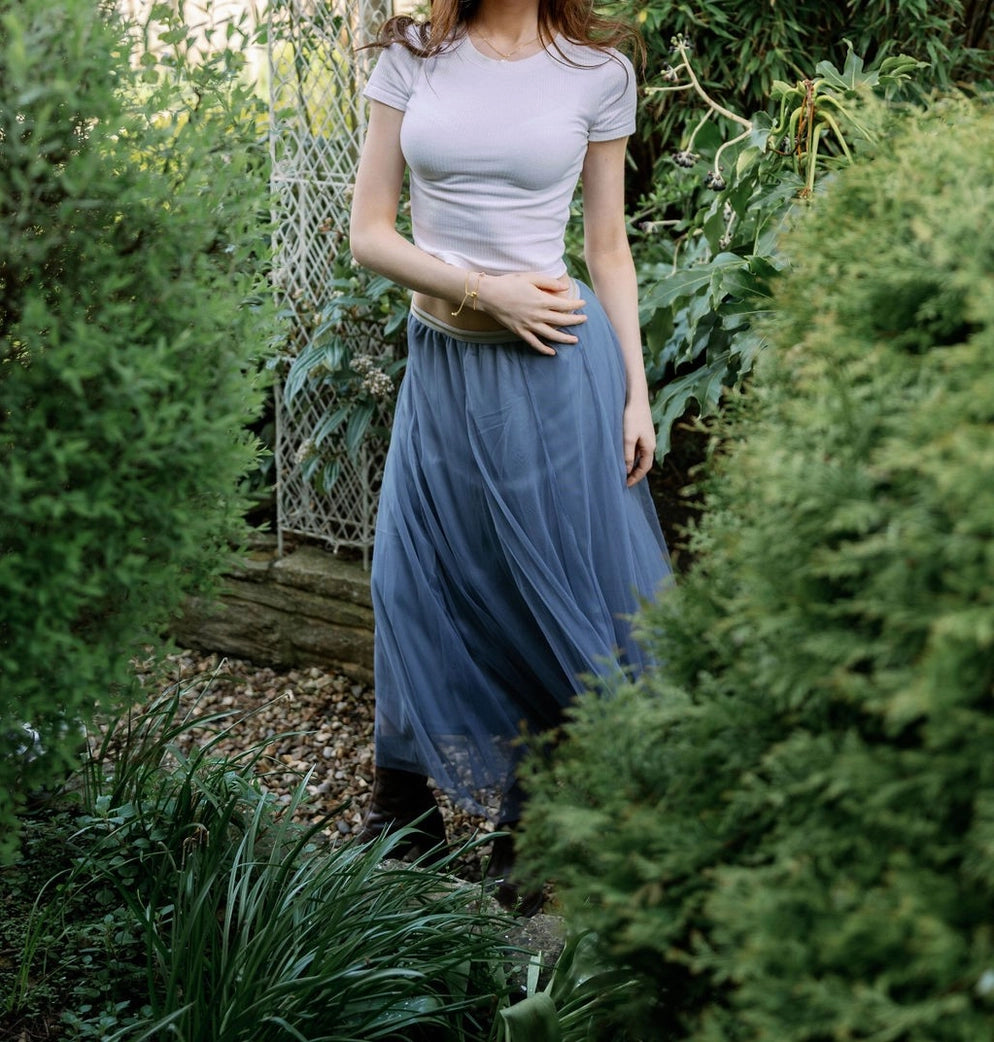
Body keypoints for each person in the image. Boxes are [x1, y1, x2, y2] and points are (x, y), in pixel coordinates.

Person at [348, 0, 670, 913]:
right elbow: (370, 231)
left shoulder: (596, 71)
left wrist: (637, 393)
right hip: (444, 363)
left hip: (557, 370)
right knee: (408, 580)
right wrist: (483, 287)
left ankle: (527, 828)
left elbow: (608, 250)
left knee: (542, 591)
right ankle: (402, 808)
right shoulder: (413, 55)